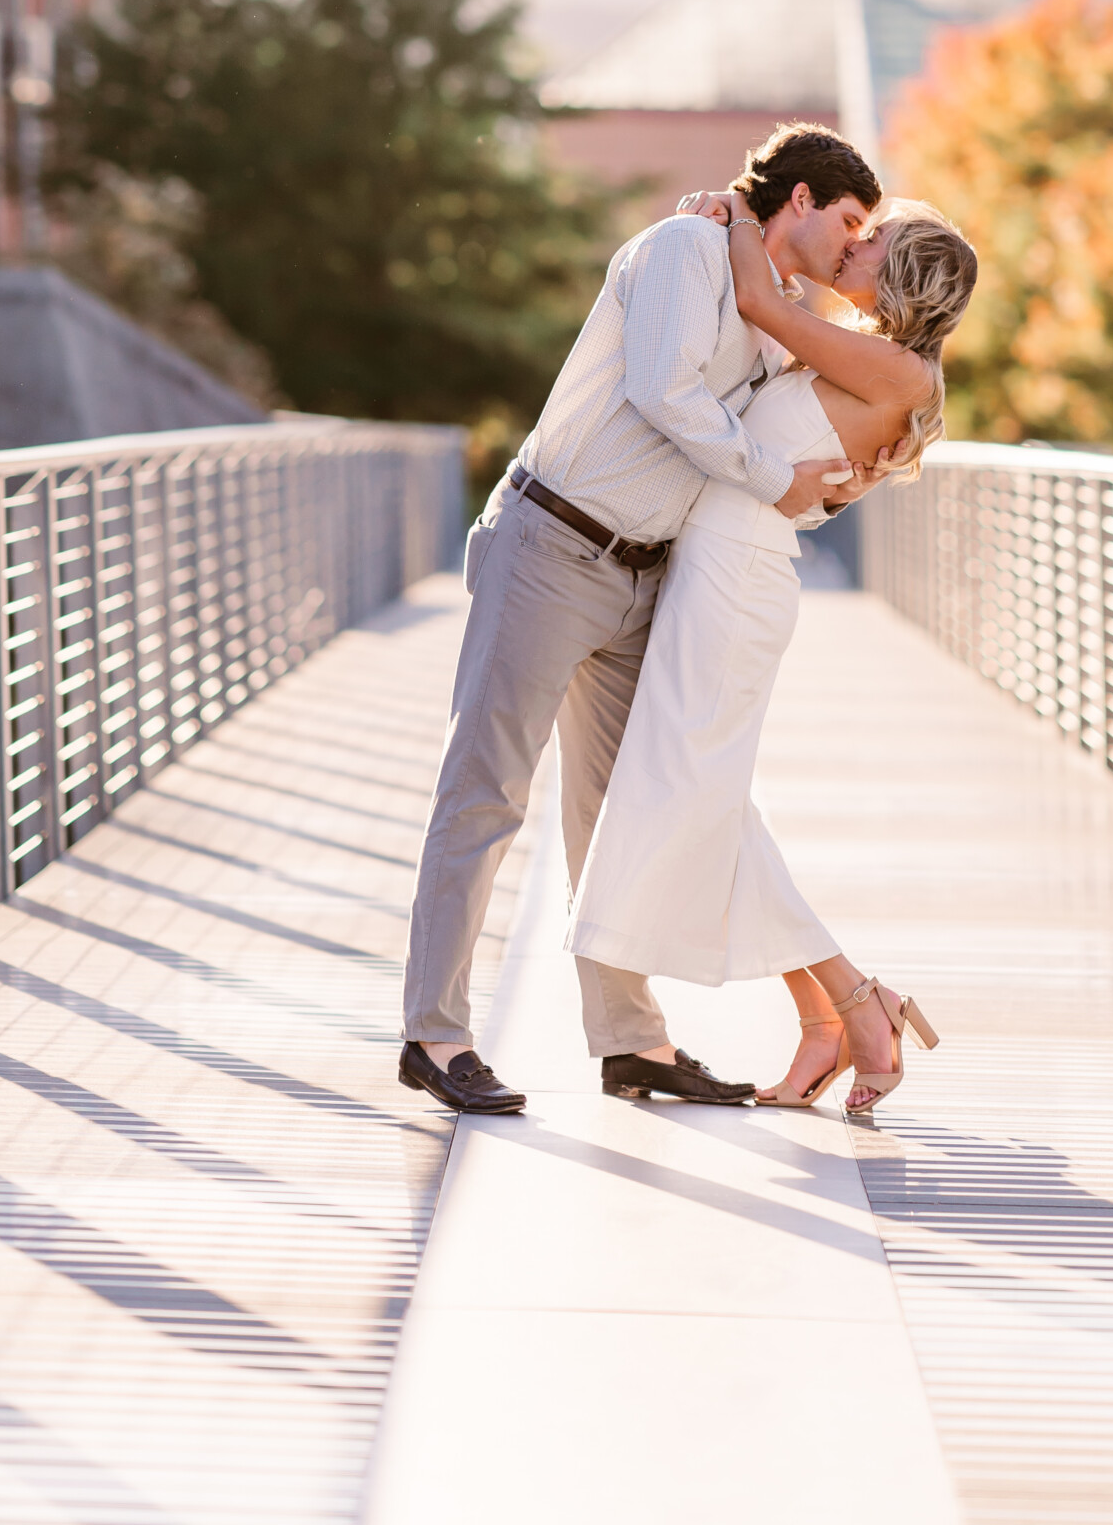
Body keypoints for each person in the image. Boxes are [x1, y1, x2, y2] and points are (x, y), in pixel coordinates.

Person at [399, 123, 904, 1116]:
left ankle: (630, 1042)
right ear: (799, 198)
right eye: (849, 222)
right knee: (487, 787)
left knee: (624, 810)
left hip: (645, 573)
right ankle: (436, 1032)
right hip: (553, 543)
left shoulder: (776, 304)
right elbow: (665, 392)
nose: (854, 247)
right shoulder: (684, 249)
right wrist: (775, 479)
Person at [566, 190, 977, 1115]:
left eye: (872, 243)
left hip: (736, 580)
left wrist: (740, 211)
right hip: (712, 570)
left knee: (695, 795)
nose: (853, 247)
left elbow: (758, 304)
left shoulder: (897, 374)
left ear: (901, 275)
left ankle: (850, 1006)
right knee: (707, 799)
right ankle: (841, 1009)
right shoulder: (863, 355)